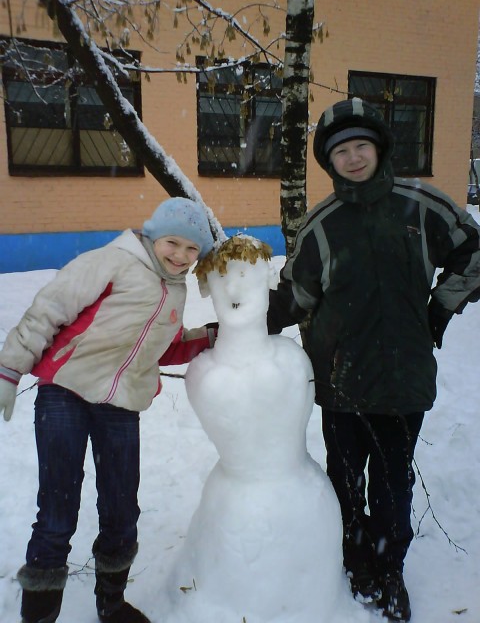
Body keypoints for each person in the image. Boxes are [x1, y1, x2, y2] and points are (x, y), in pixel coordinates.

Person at [267, 97, 480, 623]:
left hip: (403, 379)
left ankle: (389, 570)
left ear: (379, 149)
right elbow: (297, 295)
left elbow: (473, 254)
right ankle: (355, 558)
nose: (354, 157)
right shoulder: (322, 225)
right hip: (340, 381)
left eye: (362, 145)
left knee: (393, 483)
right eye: (342, 150)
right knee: (343, 479)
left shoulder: (422, 206)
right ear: (329, 161)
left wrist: (438, 309)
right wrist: (237, 326)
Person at [0, 197, 217, 623]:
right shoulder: (111, 261)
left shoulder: (175, 290)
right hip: (66, 392)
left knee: (121, 510)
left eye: (193, 250)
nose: (181, 256)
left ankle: (112, 605)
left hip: (120, 407)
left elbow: (163, 348)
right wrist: (9, 369)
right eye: (173, 243)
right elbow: (49, 309)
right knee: (57, 513)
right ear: (154, 235)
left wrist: (208, 337)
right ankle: (39, 615)